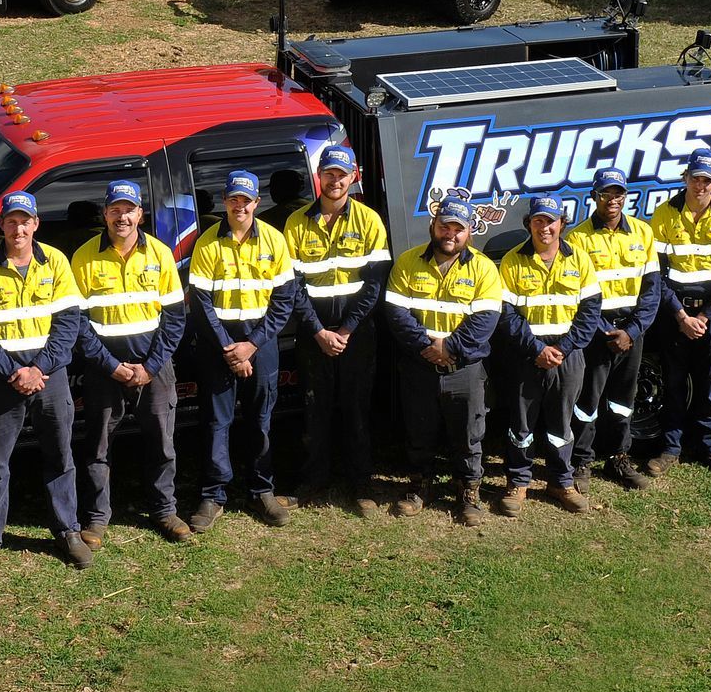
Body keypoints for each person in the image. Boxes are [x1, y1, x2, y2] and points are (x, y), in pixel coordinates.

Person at [0, 191, 89, 570]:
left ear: (36, 223)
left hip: (49, 378)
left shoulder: (57, 263)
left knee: (60, 455)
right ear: (1, 225)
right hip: (5, 381)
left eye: (25, 221)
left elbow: (68, 325)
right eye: (11, 221)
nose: (18, 228)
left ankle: (68, 530)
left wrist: (38, 369)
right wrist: (12, 372)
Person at [71, 181, 191, 544]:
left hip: (153, 367)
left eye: (129, 210)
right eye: (115, 209)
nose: (122, 217)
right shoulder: (84, 257)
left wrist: (150, 367)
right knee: (98, 446)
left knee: (162, 442)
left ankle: (165, 510)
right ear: (105, 213)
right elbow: (77, 323)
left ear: (140, 213)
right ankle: (96, 518)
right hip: (104, 369)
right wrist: (111, 365)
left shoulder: (159, 254)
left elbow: (175, 318)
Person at [380, 197, 506, 525]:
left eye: (458, 229)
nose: (450, 234)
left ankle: (469, 493)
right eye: (444, 226)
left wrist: (450, 347)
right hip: (419, 366)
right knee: (419, 431)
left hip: (464, 369)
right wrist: (426, 346)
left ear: (469, 233)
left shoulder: (484, 269)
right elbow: (395, 312)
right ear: (433, 226)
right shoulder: (408, 262)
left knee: (469, 434)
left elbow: (486, 320)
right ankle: (419, 488)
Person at [187, 170, 298, 530]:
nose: (240, 205)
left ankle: (261, 490)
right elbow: (201, 303)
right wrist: (228, 349)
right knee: (216, 421)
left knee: (260, 419)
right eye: (233, 199)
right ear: (225, 201)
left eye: (246, 200)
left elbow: (284, 299)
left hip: (260, 341)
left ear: (256, 202)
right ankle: (213, 494)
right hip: (218, 344)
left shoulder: (274, 241)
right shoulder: (207, 242)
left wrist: (250, 346)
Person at [281, 145, 390, 511]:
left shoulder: (369, 221)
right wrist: (318, 331)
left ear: (353, 177)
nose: (335, 181)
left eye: (342, 175)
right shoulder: (296, 223)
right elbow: (292, 286)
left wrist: (344, 331)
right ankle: (313, 480)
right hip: (313, 335)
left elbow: (375, 283)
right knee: (315, 408)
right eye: (329, 173)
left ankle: (361, 485)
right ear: (319, 177)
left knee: (357, 408)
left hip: (356, 334)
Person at [496, 197, 602, 515]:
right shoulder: (512, 261)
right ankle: (518, 481)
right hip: (527, 355)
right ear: (529, 223)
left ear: (562, 224)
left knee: (562, 421)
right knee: (521, 424)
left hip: (567, 355)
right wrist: (536, 349)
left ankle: (561, 481)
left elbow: (590, 310)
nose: (545, 227)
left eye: (551, 221)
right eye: (539, 221)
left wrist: (565, 348)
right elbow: (506, 314)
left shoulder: (580, 260)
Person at [648, 150, 711, 477]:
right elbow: (656, 275)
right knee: (674, 383)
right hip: (675, 313)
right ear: (685, 179)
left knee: (709, 385)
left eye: (706, 180)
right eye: (695, 178)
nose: (700, 185)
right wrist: (680, 315)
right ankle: (670, 448)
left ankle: (708, 446)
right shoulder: (664, 215)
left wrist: (705, 316)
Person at [565, 168, 662, 490]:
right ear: (594, 196)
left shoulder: (642, 233)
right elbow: (578, 296)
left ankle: (618, 457)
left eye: (618, 194)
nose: (613, 200)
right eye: (606, 194)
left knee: (623, 398)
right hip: (597, 333)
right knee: (587, 400)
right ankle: (581, 460)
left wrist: (632, 332)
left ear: (625, 197)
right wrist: (606, 332)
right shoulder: (578, 239)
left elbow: (651, 289)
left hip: (631, 331)